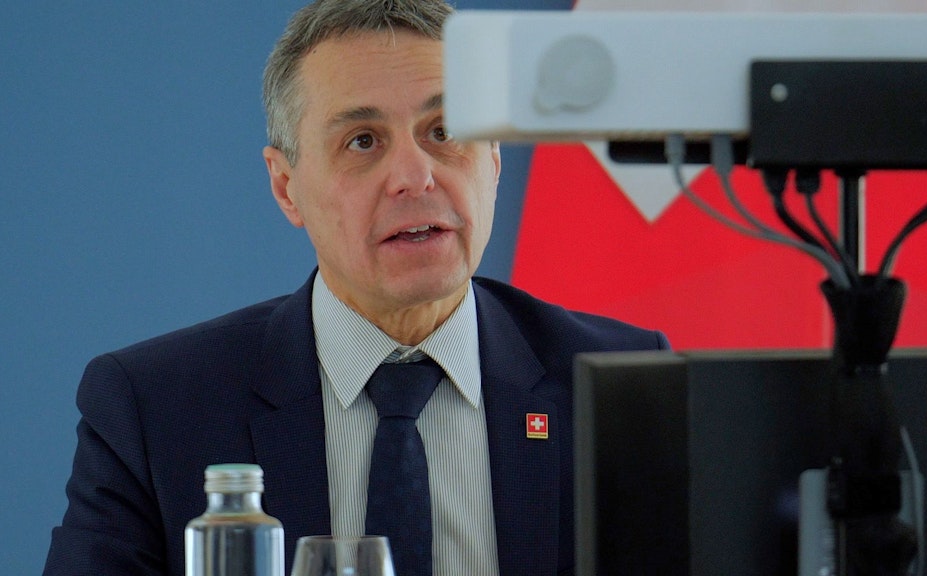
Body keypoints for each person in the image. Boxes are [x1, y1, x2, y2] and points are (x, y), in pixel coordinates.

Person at [42, 1, 670, 575]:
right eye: (363, 141)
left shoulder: (621, 385)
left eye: (445, 132)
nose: (414, 175)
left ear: (495, 161)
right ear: (287, 187)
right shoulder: (155, 409)